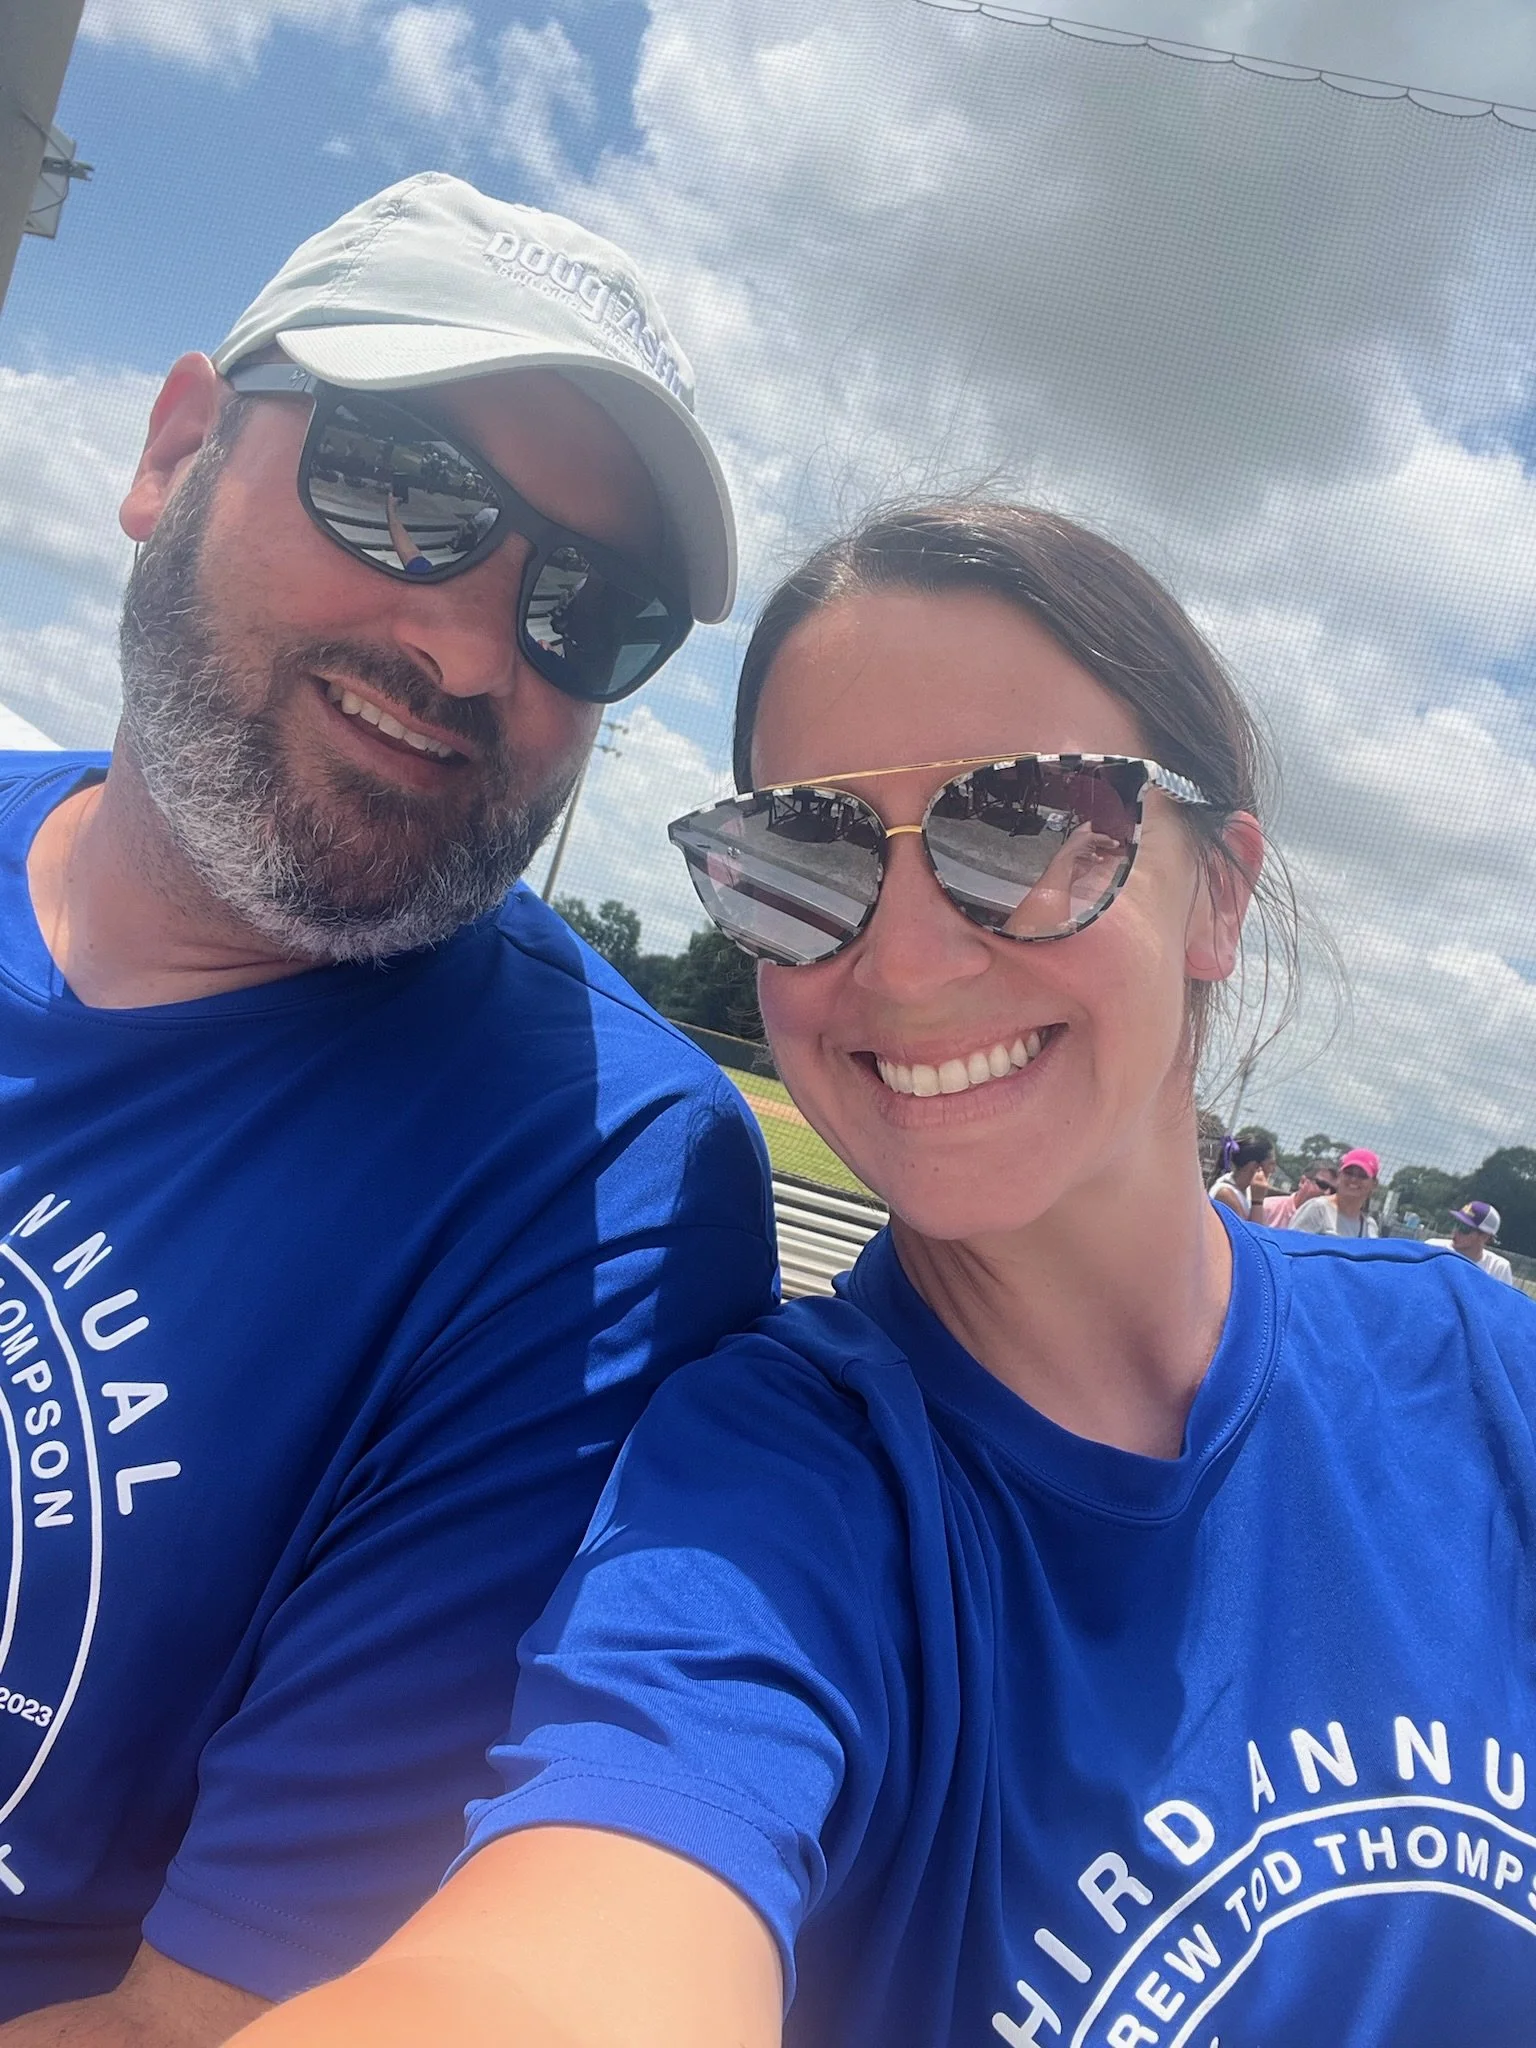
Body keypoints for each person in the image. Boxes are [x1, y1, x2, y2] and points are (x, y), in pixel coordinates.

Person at [228, 500, 1536, 2048]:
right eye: (801, 851)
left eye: (1029, 824)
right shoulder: (773, 1503)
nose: (906, 965)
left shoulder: (1480, 1376)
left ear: (1218, 896)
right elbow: (583, 1934)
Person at [0, 175, 776, 2040]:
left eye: (589, 609)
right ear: (175, 452)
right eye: (405, 490)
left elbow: (192, 2019)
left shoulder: (597, 1178)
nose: (472, 650)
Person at [1288, 1145, 1381, 1238]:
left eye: (1362, 1175)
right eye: (1349, 1172)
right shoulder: (1318, 1209)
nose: (1353, 1179)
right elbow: (1291, 1243)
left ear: (1374, 1184)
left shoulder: (1369, 1227)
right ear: (1339, 1175)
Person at [1428, 1201, 1518, 1286]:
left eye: (1464, 1228)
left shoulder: (1498, 1268)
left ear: (1484, 1237)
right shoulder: (1433, 1247)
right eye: (1456, 1224)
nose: (1456, 1231)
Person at [1207, 1135, 1274, 1220]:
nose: (1273, 1170)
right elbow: (1251, 1228)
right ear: (1256, 1167)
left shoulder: (1246, 1190)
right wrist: (1257, 1201)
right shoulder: (1225, 1194)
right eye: (1271, 1164)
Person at [1260, 1156, 1336, 1229]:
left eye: (1333, 1190)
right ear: (1303, 1181)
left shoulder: (1330, 1226)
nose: (1327, 1193)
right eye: (1323, 1185)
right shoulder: (1267, 1208)